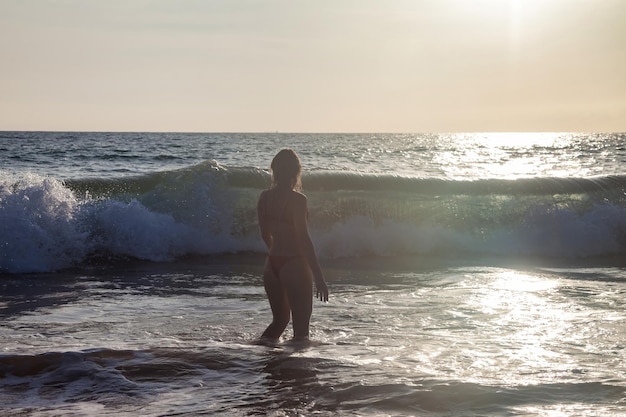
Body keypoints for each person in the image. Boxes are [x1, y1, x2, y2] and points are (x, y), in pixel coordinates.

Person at [256, 149, 329, 343]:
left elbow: (264, 233)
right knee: (301, 332)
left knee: (279, 322)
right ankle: (297, 372)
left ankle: (255, 359)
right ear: (296, 172)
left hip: (271, 265)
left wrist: (276, 253)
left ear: (275, 171)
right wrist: (319, 276)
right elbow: (303, 239)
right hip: (294, 262)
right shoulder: (298, 200)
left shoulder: (264, 197)